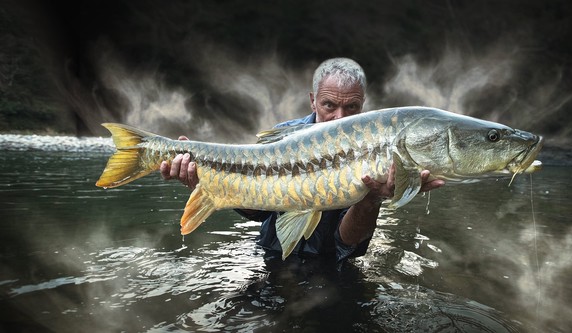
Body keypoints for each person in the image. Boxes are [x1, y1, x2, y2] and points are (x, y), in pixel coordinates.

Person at [160, 58, 445, 266]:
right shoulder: (286, 136)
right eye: (329, 106)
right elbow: (259, 211)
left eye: (352, 107)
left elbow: (346, 244)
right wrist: (206, 182)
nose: (340, 118)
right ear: (313, 101)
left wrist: (372, 199)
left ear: (363, 105)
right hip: (270, 257)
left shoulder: (374, 146)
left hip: (334, 266)